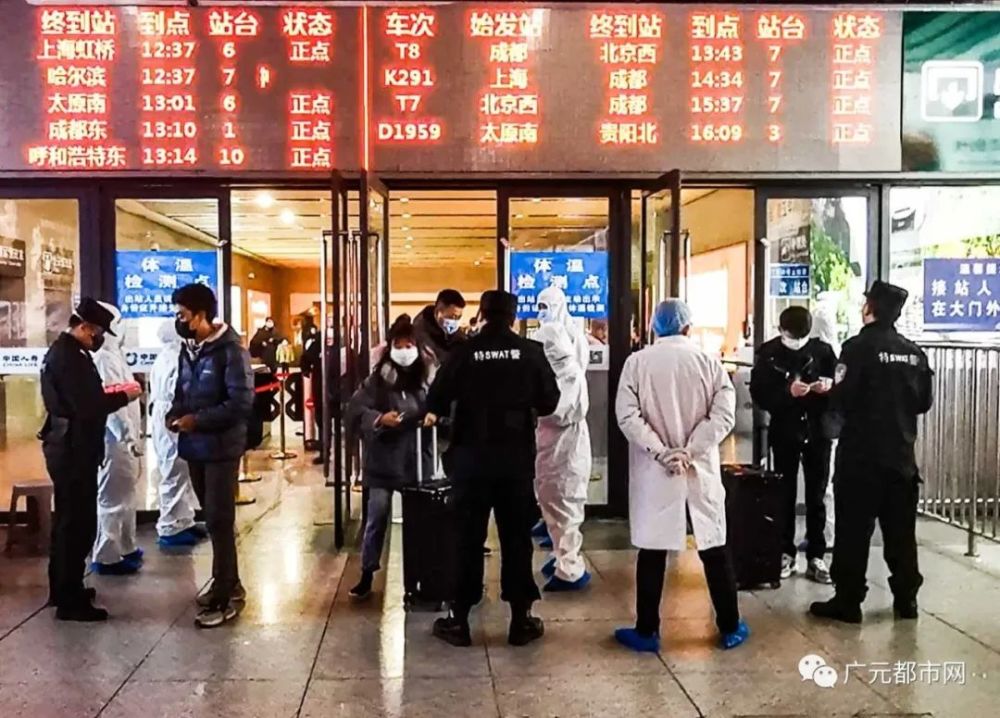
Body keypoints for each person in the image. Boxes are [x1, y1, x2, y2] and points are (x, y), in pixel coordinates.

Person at [426, 290, 560, 648]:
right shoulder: (531, 353)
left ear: (482, 314)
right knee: (517, 538)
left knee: (466, 539)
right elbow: (550, 401)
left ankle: (459, 621)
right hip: (515, 462)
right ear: (513, 318)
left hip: (470, 461)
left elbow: (435, 399)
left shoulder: (463, 353)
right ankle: (520, 621)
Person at [614, 299, 749, 653]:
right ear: (688, 327)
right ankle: (731, 626)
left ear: (654, 326)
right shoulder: (708, 362)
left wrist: (662, 451)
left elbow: (627, 417)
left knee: (653, 550)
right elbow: (723, 415)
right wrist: (691, 450)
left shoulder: (637, 363)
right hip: (698, 467)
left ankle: (646, 631)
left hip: (655, 470)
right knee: (714, 547)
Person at [810, 281, 933, 624]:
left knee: (853, 531)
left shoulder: (856, 348)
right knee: (900, 533)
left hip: (861, 458)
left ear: (871, 309)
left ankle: (848, 601)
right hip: (901, 458)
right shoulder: (914, 353)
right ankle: (906, 600)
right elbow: (923, 402)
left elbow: (842, 397)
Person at [40, 298, 142, 621]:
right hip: (73, 449)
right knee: (77, 523)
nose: (98, 338)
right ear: (83, 327)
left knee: (68, 521)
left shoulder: (68, 353)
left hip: (68, 445)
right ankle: (70, 601)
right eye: (96, 332)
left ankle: (64, 588)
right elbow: (89, 404)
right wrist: (124, 395)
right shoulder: (70, 358)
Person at [168, 284, 254, 628]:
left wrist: (198, 420)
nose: (179, 321)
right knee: (213, 519)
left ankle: (225, 595)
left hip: (220, 449)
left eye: (183, 315)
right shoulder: (189, 350)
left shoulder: (230, 351)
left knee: (220, 520)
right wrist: (174, 415)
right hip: (195, 448)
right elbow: (181, 392)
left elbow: (240, 403)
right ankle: (228, 583)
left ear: (201, 315)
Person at [346, 315, 433, 600]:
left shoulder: (427, 376)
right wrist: (380, 418)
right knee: (377, 516)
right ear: (390, 346)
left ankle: (420, 576)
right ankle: (367, 573)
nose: (405, 350)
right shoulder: (378, 379)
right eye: (399, 344)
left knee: (420, 522)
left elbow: (442, 405)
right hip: (383, 461)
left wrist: (435, 416)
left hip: (417, 460)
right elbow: (355, 411)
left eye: (410, 344)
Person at [750, 306, 838, 584]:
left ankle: (816, 554)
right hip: (785, 429)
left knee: (817, 494)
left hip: (817, 430)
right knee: (784, 493)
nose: (794, 342)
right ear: (781, 330)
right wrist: (786, 393)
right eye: (790, 336)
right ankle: (785, 552)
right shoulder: (769, 353)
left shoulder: (822, 352)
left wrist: (828, 388)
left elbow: (840, 386)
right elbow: (760, 392)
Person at [533, 321, 592, 592]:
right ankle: (561, 557)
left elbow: (559, 412)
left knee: (565, 507)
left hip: (566, 450)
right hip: (552, 449)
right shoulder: (553, 371)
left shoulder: (568, 374)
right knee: (553, 505)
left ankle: (570, 570)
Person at [91, 302, 145, 575]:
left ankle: (126, 547)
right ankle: (106, 555)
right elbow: (113, 407)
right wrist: (127, 436)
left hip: (124, 443)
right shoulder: (104, 359)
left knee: (125, 496)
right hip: (114, 444)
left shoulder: (115, 357)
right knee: (112, 499)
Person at [150, 319, 204, 547]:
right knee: (173, 470)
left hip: (166, 414)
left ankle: (183, 520)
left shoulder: (167, 356)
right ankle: (170, 526)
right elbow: (179, 389)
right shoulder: (174, 358)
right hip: (172, 417)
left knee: (180, 471)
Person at [810, 297, 841, 550]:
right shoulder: (836, 353)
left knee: (822, 487)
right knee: (823, 487)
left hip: (821, 428)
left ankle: (823, 537)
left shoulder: (821, 353)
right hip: (828, 429)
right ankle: (825, 538)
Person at [537, 286, 590, 373]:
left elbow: (580, 364)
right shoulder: (539, 334)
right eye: (540, 307)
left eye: (545, 306)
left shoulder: (574, 335)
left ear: (558, 306)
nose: (542, 311)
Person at [413, 288, 467, 371]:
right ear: (438, 312)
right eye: (452, 317)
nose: (455, 321)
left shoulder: (459, 337)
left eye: (459, 317)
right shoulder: (420, 333)